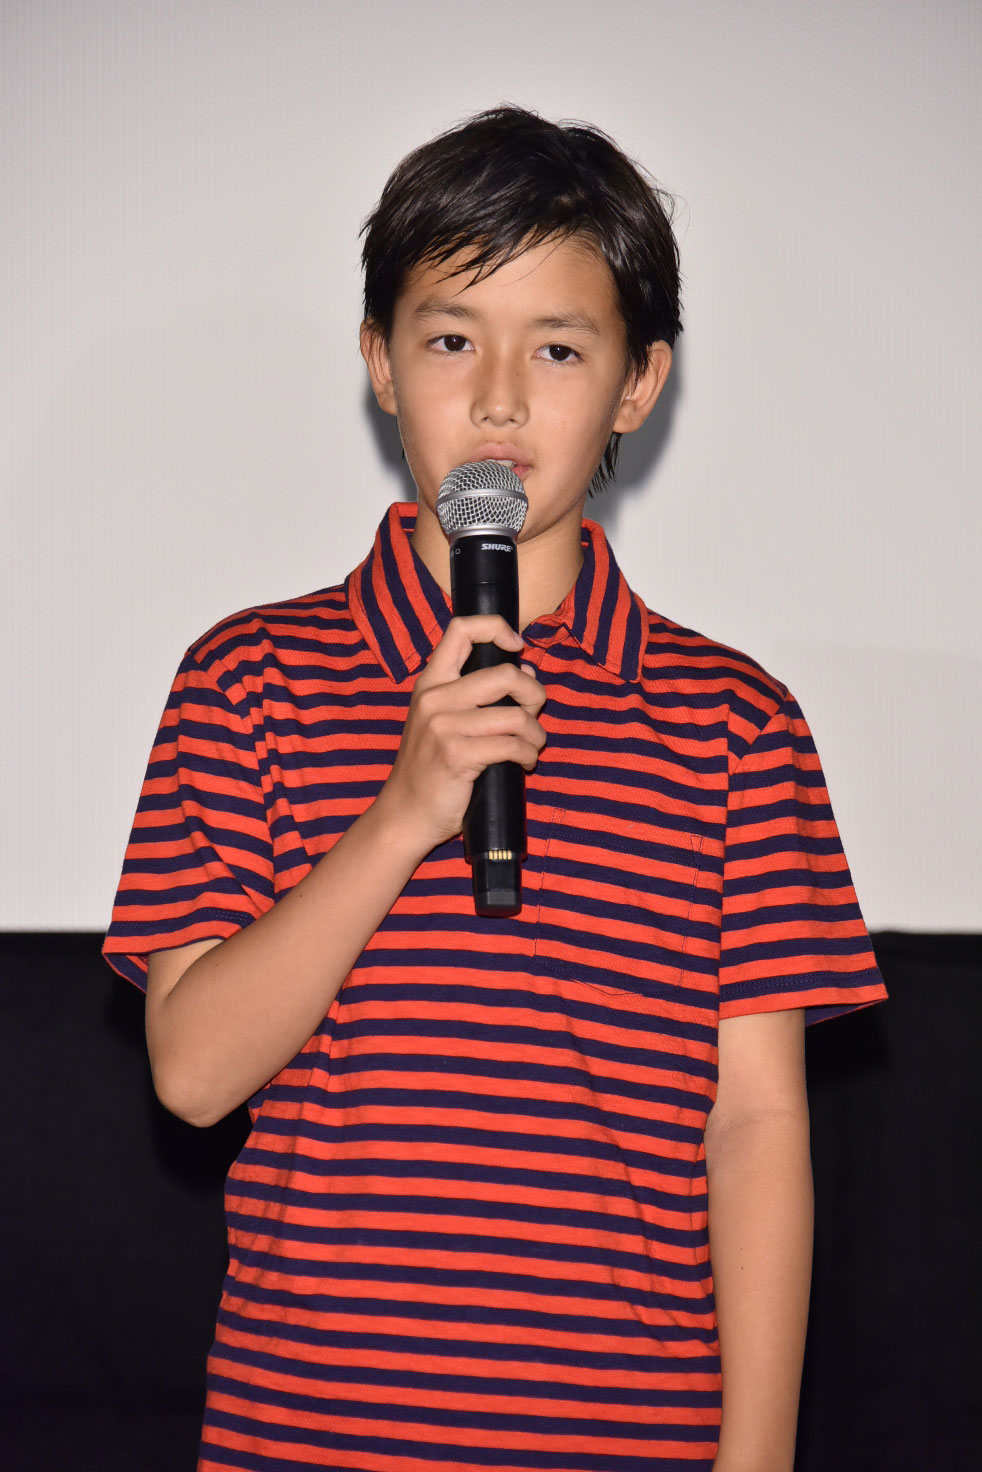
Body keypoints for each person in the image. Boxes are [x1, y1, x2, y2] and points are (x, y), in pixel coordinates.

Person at [104, 106, 887, 1472]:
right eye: (452, 340)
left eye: (560, 348)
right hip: (315, 1433)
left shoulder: (733, 724)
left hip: (628, 1433)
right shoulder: (248, 681)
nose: (503, 400)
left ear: (638, 384)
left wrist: (756, 1458)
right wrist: (404, 812)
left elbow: (756, 1123)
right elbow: (193, 1074)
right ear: (379, 362)